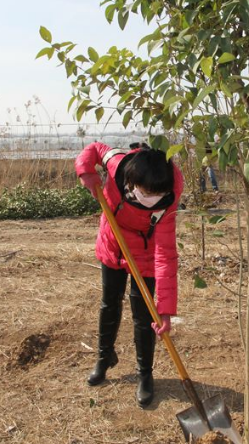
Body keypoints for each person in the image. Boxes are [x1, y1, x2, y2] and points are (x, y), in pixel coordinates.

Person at [76, 143, 183, 407]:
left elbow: (166, 256)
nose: (151, 200)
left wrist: (166, 311)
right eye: (146, 193)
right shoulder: (118, 165)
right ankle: (104, 357)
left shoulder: (167, 200)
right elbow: (94, 149)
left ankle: (145, 374)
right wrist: (86, 173)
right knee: (109, 302)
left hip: (145, 256)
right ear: (132, 182)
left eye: (156, 195)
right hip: (113, 243)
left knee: (144, 315)